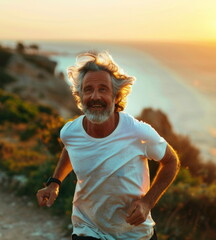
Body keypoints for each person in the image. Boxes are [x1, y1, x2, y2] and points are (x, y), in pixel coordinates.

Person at [36, 51, 180, 240]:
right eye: (88, 90)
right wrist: (54, 183)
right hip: (87, 229)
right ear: (80, 96)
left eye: (103, 89)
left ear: (116, 96)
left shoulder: (138, 132)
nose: (95, 96)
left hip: (134, 234)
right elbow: (70, 148)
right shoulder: (70, 132)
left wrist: (147, 203)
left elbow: (171, 162)